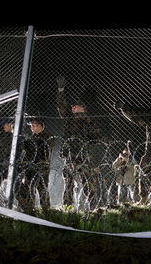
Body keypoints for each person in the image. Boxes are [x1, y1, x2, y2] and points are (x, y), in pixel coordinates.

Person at [56, 76, 103, 207]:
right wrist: (60, 90)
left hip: (83, 156)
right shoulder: (69, 119)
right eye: (72, 107)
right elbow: (61, 107)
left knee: (88, 183)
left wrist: (86, 145)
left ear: (82, 108)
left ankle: (93, 206)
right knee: (68, 183)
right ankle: (67, 207)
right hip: (70, 154)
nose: (72, 108)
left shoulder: (88, 121)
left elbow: (98, 137)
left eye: (75, 107)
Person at [18, 117, 54, 209]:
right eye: (31, 126)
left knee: (42, 189)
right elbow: (25, 150)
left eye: (34, 126)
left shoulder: (48, 137)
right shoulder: (30, 138)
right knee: (29, 189)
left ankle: (46, 210)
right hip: (30, 168)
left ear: (41, 127)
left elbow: (44, 149)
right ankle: (29, 210)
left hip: (41, 168)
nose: (32, 128)